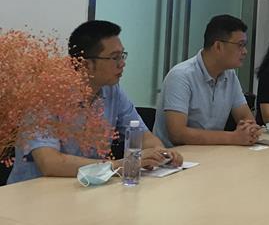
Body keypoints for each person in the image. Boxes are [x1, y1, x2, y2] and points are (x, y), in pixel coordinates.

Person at [7, 20, 182, 184]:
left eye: (122, 55)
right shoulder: (46, 96)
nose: (122, 64)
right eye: (114, 57)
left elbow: (143, 135)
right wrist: (118, 165)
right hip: (37, 193)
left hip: (86, 187)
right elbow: (50, 163)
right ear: (85, 64)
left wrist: (160, 153)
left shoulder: (112, 90)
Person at [153, 15, 263, 147]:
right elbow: (177, 134)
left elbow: (246, 118)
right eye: (240, 45)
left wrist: (250, 130)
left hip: (210, 152)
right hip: (176, 156)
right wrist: (233, 137)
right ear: (218, 46)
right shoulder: (181, 76)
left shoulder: (230, 75)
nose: (245, 51)